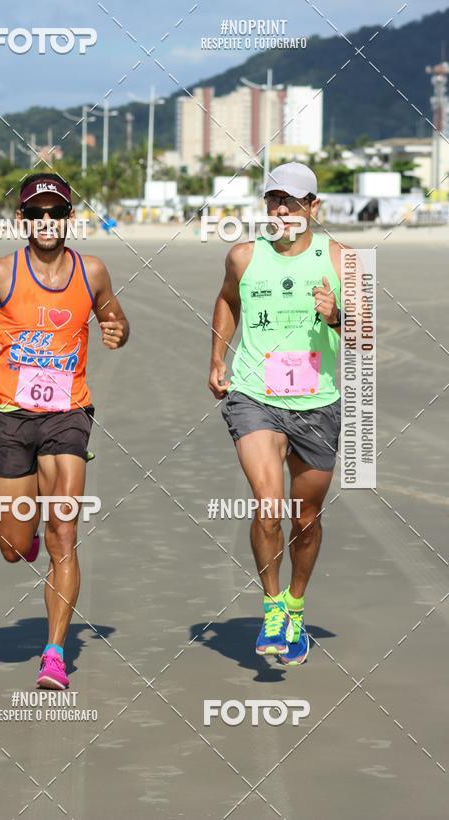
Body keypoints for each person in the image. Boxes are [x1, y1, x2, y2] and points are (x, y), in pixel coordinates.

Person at [0, 172, 129, 688]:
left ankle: (54, 654)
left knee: (64, 535)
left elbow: (113, 317)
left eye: (56, 214)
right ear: (22, 221)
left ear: (68, 219)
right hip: (10, 418)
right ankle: (21, 537)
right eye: (37, 214)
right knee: (13, 546)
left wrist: (118, 330)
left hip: (68, 416)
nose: (47, 222)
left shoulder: (92, 271)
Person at [209, 162, 346, 666]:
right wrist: (218, 357)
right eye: (273, 200)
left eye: (293, 201)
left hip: (317, 402)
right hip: (254, 395)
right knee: (269, 505)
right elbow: (227, 303)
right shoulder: (244, 256)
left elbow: (365, 333)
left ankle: (295, 604)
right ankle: (271, 608)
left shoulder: (339, 259)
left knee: (305, 519)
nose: (282, 210)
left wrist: (337, 316)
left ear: (313, 207)